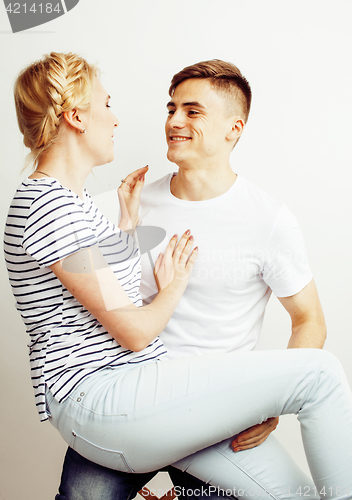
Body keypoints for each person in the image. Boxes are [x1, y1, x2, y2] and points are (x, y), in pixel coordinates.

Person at [4, 53, 352, 500]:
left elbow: (106, 288)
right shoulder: (64, 205)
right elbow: (129, 325)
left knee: (297, 493)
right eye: (171, 108)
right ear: (75, 117)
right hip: (120, 391)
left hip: (183, 399)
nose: (170, 120)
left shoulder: (84, 206)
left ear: (234, 129)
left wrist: (125, 228)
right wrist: (172, 284)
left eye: (192, 111)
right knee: (320, 375)